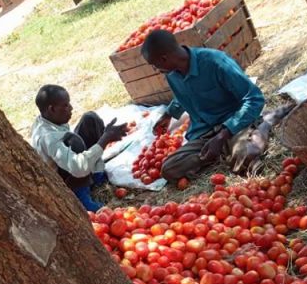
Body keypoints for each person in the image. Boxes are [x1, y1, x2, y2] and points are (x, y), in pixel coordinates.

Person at [140, 30, 265, 181]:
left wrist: (222, 136)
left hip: (233, 126)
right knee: (169, 169)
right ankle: (222, 153)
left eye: (154, 64)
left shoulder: (215, 62)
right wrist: (168, 114)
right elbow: (185, 94)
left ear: (164, 58)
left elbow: (254, 98)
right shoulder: (172, 74)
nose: (155, 69)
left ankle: (232, 148)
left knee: (248, 161)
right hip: (204, 133)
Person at [30, 84, 128, 212]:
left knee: (90, 118)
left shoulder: (47, 118)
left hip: (68, 164)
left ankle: (95, 175)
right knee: (74, 142)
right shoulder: (49, 138)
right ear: (52, 109)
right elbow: (78, 168)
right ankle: (81, 196)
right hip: (64, 180)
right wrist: (105, 139)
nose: (71, 108)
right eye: (65, 105)